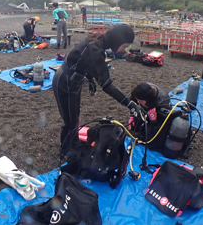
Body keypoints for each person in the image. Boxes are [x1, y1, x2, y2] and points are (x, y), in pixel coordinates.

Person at [52, 24, 141, 156]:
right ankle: (65, 151)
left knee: (75, 117)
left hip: (73, 81)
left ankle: (74, 143)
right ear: (118, 40)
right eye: (125, 45)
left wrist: (90, 78)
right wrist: (129, 103)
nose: (125, 49)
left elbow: (84, 61)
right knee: (69, 120)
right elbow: (107, 84)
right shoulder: (96, 48)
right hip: (64, 82)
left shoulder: (99, 43)